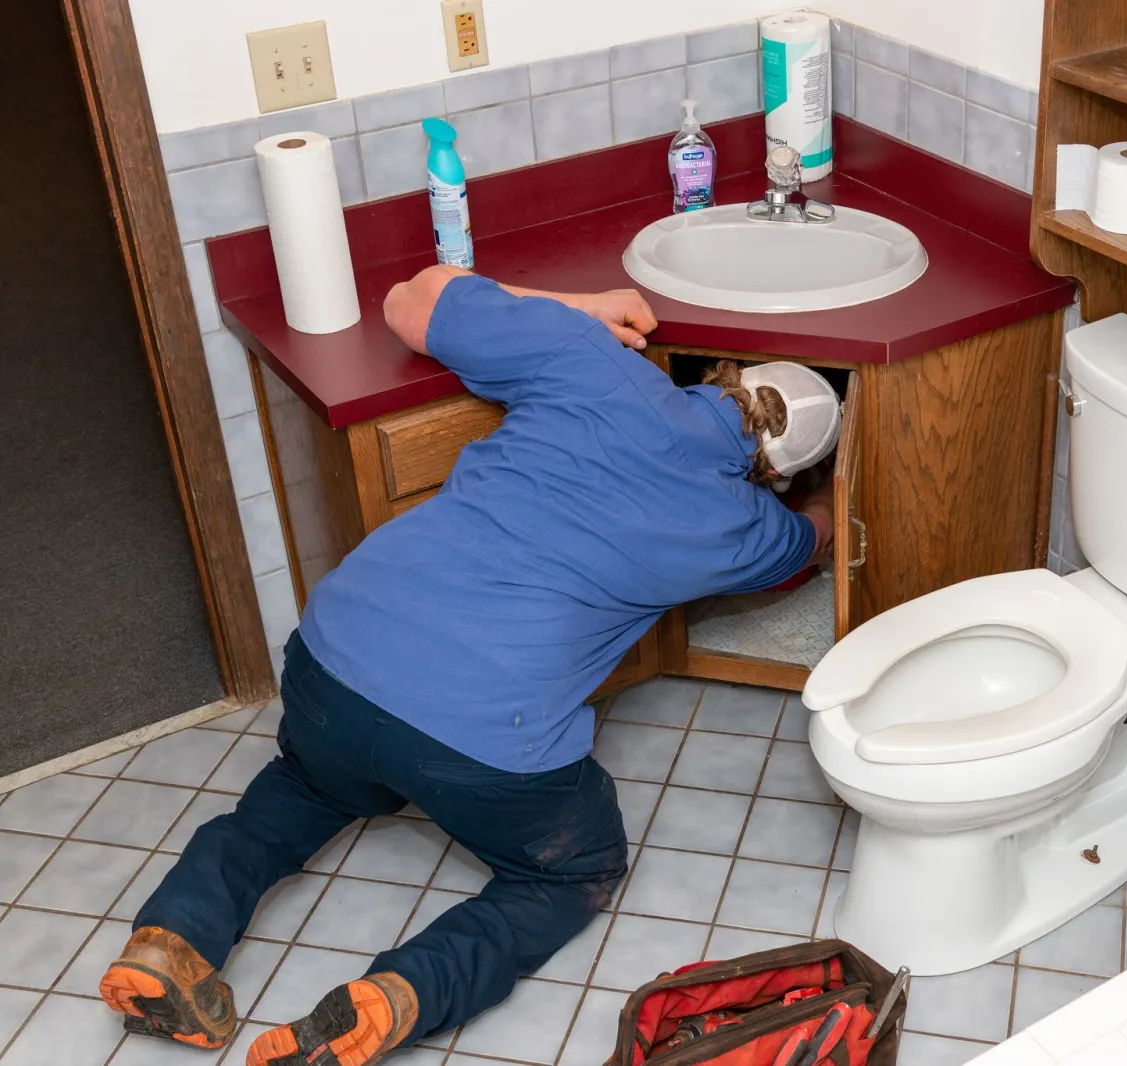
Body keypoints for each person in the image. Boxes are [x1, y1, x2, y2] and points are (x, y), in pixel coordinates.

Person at [97, 266, 841, 1065]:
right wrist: (825, 495)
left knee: (304, 786)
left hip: (333, 658)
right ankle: (399, 993)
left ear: (725, 379)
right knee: (570, 873)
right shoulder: (744, 529)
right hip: (482, 739)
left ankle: (166, 940)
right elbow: (815, 542)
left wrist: (583, 308)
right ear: (774, 473)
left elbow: (408, 301)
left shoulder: (590, 358)